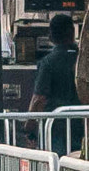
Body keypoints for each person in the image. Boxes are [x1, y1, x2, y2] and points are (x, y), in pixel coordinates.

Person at [29, 13, 81, 156]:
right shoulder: (84, 59)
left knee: (56, 168)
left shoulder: (47, 63)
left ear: (51, 36)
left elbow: (39, 99)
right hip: (83, 124)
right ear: (73, 32)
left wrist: (30, 126)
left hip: (55, 129)